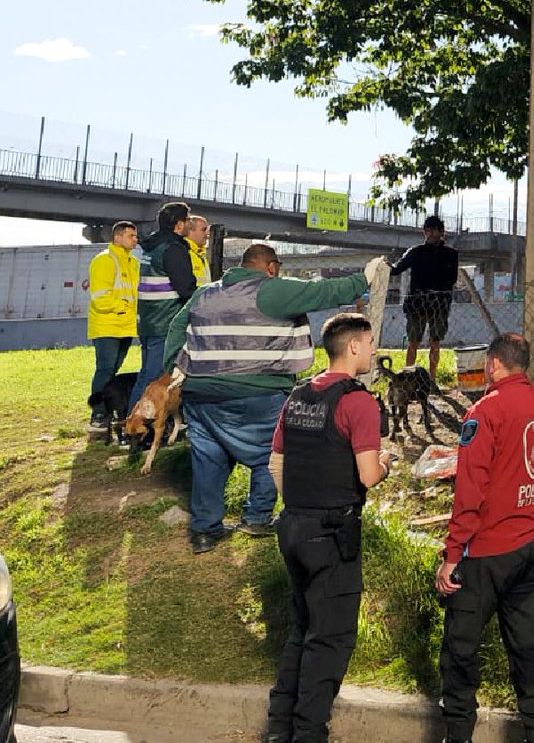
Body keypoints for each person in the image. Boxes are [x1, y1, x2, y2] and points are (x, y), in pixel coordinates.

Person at [164, 244, 382, 554]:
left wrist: (174, 369)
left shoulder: (205, 293)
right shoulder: (270, 291)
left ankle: (204, 531)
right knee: (270, 452)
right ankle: (256, 517)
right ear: (271, 267)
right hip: (258, 392)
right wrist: (362, 280)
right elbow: (322, 292)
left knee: (208, 461)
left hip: (201, 394)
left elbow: (176, 327)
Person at [264, 312, 395, 743]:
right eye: (371, 343)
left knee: (301, 632)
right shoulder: (358, 401)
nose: (374, 351)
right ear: (354, 346)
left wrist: (299, 508)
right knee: (332, 639)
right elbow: (368, 475)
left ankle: (279, 729)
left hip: (294, 528)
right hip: (332, 537)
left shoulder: (299, 395)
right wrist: (387, 462)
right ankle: (308, 733)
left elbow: (276, 463)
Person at [436, 333, 534, 743]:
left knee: (460, 647)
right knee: (530, 642)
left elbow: (470, 490)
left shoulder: (485, 412)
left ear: (493, 364)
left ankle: (458, 733)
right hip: (533, 546)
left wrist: (452, 554)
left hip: (487, 553)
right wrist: (531, 507)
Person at [131, 200, 196, 412]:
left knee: (146, 373)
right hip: (165, 322)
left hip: (149, 320)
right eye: (187, 220)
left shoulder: (152, 247)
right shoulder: (173, 249)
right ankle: (137, 423)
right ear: (178, 225)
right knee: (154, 377)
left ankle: (137, 422)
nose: (190, 224)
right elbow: (186, 287)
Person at [390, 215, 458, 380]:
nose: (430, 234)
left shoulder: (450, 254)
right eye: (427, 230)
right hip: (417, 302)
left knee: (435, 342)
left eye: (433, 230)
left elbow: (452, 279)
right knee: (413, 341)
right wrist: (383, 267)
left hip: (439, 303)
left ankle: (432, 380)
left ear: (442, 232)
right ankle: (408, 378)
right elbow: (397, 269)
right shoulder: (415, 252)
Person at [86, 220, 140, 429]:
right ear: (117, 237)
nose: (135, 239)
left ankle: (108, 410)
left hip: (126, 326)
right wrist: (124, 307)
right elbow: (100, 297)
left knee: (113, 370)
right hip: (107, 325)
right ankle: (98, 414)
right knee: (105, 370)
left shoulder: (132, 262)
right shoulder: (104, 261)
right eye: (131, 236)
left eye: (135, 236)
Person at [183, 214, 212, 286]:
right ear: (190, 231)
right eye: (203, 229)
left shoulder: (201, 254)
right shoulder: (184, 253)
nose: (207, 233)